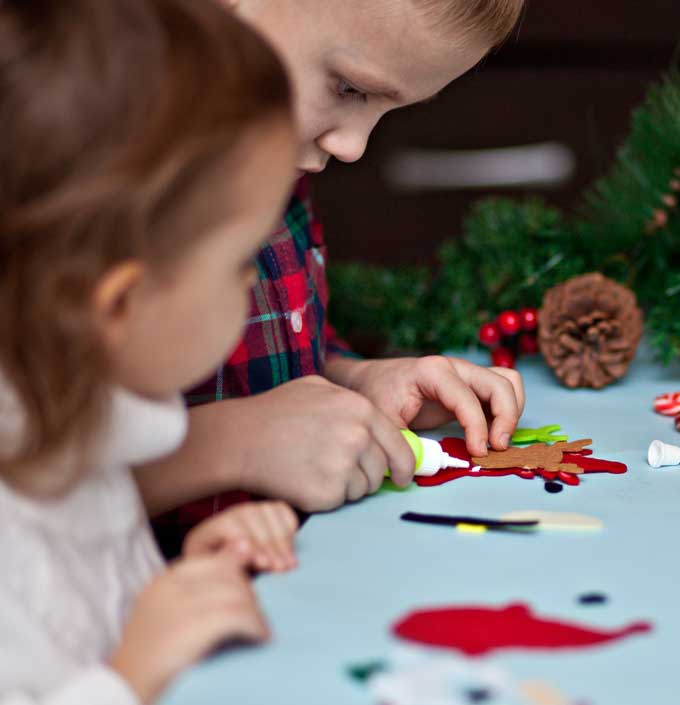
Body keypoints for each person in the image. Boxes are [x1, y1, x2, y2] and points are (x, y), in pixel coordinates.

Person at [139, 0, 530, 552]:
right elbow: (33, 483)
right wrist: (231, 444)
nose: (352, 147)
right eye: (349, 88)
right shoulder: (73, 181)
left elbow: (266, 348)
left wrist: (355, 380)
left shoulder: (273, 150)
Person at [0, 0, 303, 701]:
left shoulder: (79, 436)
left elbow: (87, 627)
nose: (254, 282)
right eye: (241, 259)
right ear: (119, 306)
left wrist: (176, 590)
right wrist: (129, 678)